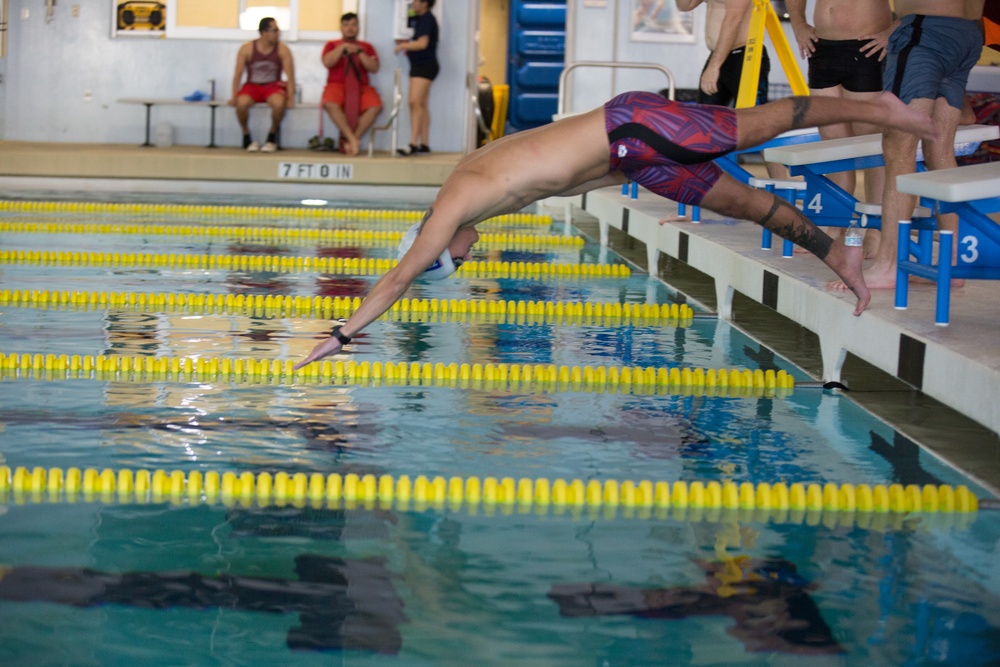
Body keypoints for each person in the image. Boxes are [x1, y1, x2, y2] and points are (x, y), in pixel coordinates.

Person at [293, 91, 937, 369]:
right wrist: (650, 177)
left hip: (631, 127)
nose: (461, 258)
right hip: (633, 157)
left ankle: (873, 108)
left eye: (451, 262)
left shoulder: (451, 204)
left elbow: (399, 276)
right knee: (747, 206)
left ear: (436, 250)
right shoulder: (483, 200)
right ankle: (840, 259)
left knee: (753, 126)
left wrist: (341, 332)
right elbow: (569, 180)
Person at [832, 0, 985, 291]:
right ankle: (952, 265)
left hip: (927, 31)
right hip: (967, 33)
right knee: (939, 148)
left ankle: (888, 265)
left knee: (897, 148)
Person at [787, 0, 894, 252]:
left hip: (866, 47)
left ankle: (875, 232)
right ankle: (835, 225)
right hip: (821, 48)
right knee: (834, 145)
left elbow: (919, 6)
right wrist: (799, 25)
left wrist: (891, 33)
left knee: (872, 148)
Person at [229, 17, 296, 153]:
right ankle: (246, 135)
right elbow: (238, 74)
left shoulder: (283, 49)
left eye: (278, 30)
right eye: (275, 30)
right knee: (241, 104)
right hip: (252, 86)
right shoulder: (247, 48)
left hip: (272, 86)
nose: (278, 33)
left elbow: (290, 76)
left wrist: (291, 98)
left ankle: (271, 136)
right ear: (264, 32)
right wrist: (234, 95)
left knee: (278, 104)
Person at [321, 12, 383, 157]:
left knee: (375, 106)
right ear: (341, 27)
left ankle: (352, 140)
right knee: (329, 103)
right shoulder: (332, 45)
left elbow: (374, 67)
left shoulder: (367, 46)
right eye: (346, 25)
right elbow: (327, 62)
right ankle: (352, 139)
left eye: (354, 25)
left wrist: (359, 52)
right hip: (337, 85)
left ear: (358, 27)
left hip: (362, 86)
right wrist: (342, 48)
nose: (350, 28)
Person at [394, 0, 439, 156]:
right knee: (422, 104)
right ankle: (424, 143)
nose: (413, 3)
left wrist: (403, 46)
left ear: (425, 3)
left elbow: (422, 43)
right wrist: (406, 43)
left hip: (424, 66)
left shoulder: (426, 19)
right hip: (422, 65)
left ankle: (413, 143)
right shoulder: (422, 19)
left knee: (414, 102)